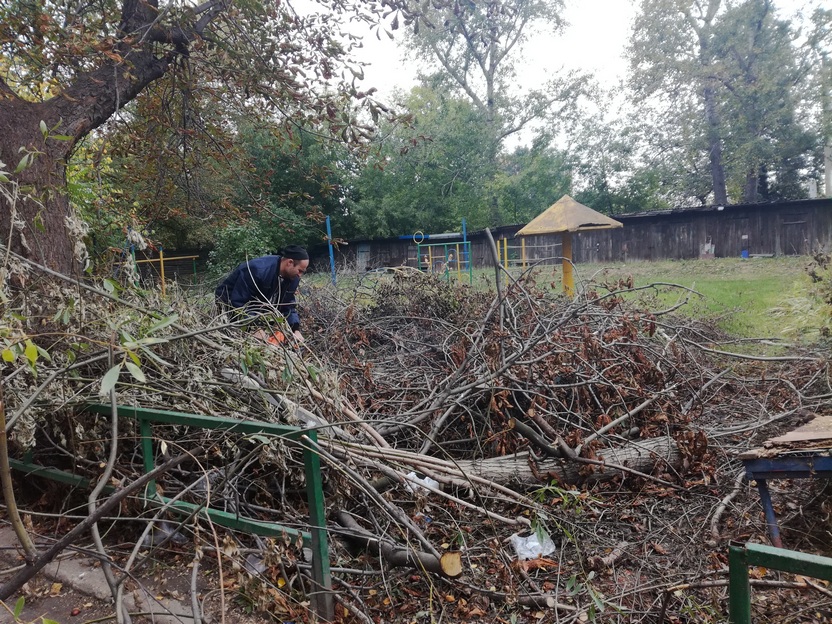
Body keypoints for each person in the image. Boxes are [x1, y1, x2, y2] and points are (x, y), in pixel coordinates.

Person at [215, 245, 309, 342]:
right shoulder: (257, 270)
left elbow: (288, 305)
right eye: (300, 270)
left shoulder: (293, 277)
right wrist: (254, 327)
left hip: (257, 309)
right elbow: (238, 302)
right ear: (289, 262)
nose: (300, 275)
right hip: (230, 304)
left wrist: (295, 329)